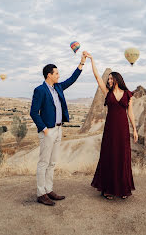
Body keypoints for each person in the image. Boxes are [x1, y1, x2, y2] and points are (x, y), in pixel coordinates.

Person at [30, 52, 87, 206]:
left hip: (59, 129)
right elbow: (33, 112)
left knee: (52, 162)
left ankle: (49, 190)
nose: (58, 75)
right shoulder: (40, 90)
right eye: (56, 73)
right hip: (48, 131)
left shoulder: (58, 87)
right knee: (43, 162)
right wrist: (44, 129)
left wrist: (81, 63)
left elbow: (72, 79)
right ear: (49, 75)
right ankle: (41, 193)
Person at [85, 52, 138, 200]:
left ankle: (123, 189)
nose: (108, 81)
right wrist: (92, 59)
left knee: (122, 157)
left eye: (110, 78)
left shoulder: (128, 94)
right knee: (110, 156)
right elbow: (96, 77)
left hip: (122, 130)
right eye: (107, 79)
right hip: (110, 130)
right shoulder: (107, 93)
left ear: (117, 79)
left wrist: (134, 129)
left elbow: (130, 113)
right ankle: (108, 189)